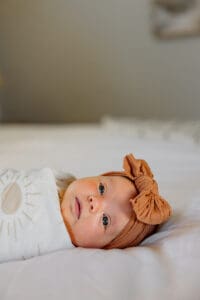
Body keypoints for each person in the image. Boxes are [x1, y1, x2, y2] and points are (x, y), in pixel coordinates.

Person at [0, 153, 172, 263]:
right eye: (102, 188)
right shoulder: (63, 181)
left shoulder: (51, 241)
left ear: (101, 247)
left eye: (105, 220)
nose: (94, 202)